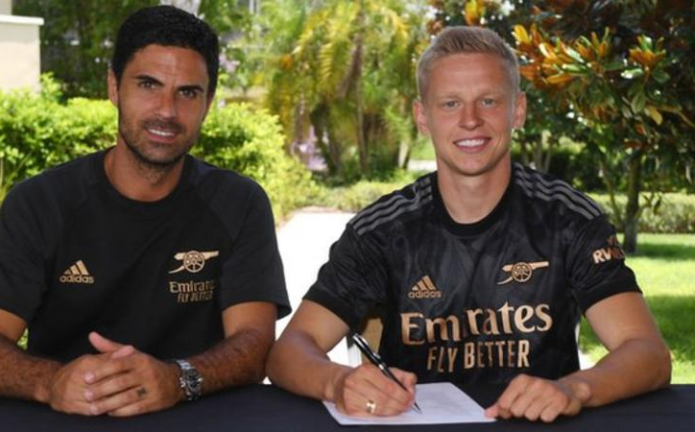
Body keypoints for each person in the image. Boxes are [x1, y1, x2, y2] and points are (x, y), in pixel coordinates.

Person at [266, 26, 670, 423]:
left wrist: (574, 389)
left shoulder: (569, 219)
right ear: (422, 118)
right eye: (450, 104)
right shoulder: (381, 231)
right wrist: (339, 382)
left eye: (489, 101)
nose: (471, 120)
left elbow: (648, 353)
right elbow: (290, 352)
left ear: (519, 111)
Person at [0, 5, 290, 417]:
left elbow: (255, 345)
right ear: (113, 87)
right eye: (148, 85)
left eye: (188, 92)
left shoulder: (239, 203)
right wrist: (50, 383)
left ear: (208, 103)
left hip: (201, 419)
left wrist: (176, 379)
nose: (167, 111)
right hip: (64, 418)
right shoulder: (40, 203)